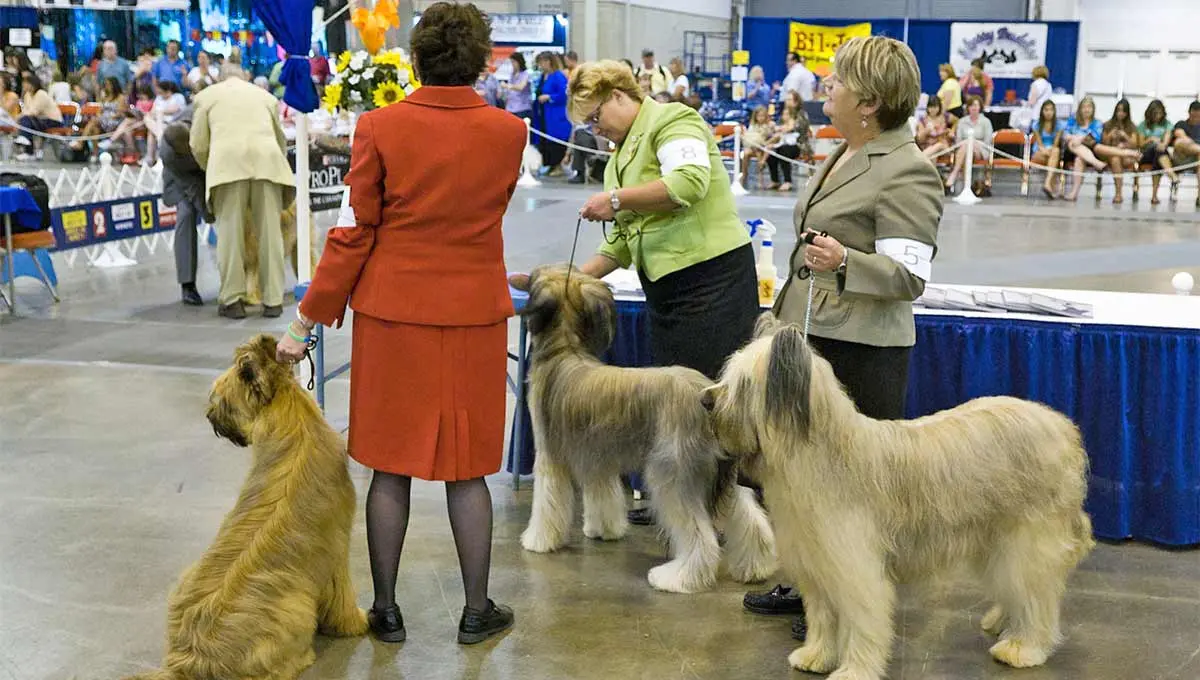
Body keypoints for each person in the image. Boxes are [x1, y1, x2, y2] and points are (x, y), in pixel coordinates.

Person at [275, 1, 524, 646]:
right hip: (474, 314)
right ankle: (477, 609)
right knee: (469, 469)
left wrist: (305, 322)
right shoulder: (510, 132)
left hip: (393, 316)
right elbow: (490, 210)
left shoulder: (380, 126)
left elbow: (357, 231)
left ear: (414, 58)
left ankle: (384, 610)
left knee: (391, 466)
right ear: (481, 59)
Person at [749, 33, 944, 643]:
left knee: (847, 492)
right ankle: (813, 585)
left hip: (859, 350)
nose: (825, 90)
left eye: (836, 83)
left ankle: (843, 603)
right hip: (815, 336)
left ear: (869, 102)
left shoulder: (908, 168)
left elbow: (909, 277)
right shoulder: (846, 152)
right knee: (808, 482)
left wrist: (845, 263)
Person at [512, 59, 759, 526]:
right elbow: (622, 242)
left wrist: (618, 200)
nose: (596, 129)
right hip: (667, 294)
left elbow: (688, 183)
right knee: (682, 420)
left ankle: (731, 513)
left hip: (712, 284)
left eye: (595, 117)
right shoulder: (621, 157)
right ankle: (689, 506)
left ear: (618, 95)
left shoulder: (674, 121)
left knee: (712, 415)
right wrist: (565, 282)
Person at [190, 64, 294, 319]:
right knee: (271, 234)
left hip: (228, 165)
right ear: (245, 76)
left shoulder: (206, 97)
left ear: (221, 78)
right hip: (267, 164)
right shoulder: (265, 96)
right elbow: (280, 140)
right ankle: (273, 300)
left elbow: (198, 143)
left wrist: (210, 166)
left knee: (230, 236)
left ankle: (233, 300)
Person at [160, 121, 209, 306]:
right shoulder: (168, 153)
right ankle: (188, 285)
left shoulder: (201, 124)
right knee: (186, 215)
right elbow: (190, 186)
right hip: (182, 182)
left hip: (210, 168)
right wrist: (207, 212)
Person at [943, 95, 993, 195]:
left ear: (980, 107)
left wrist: (973, 143)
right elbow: (958, 141)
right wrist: (968, 143)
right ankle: (968, 188)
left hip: (981, 150)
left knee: (968, 145)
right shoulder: (962, 122)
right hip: (963, 149)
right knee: (965, 148)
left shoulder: (986, 122)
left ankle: (953, 176)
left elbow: (987, 142)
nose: (974, 108)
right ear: (968, 108)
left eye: (976, 105)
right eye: (971, 106)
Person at [535, 51, 570, 175]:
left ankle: (557, 165)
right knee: (545, 140)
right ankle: (549, 164)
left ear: (549, 62)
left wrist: (549, 97)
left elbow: (564, 94)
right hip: (545, 114)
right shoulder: (543, 76)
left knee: (556, 140)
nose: (540, 65)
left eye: (542, 62)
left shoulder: (558, 76)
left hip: (556, 115)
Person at [1138, 99, 1177, 205]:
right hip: (1146, 154)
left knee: (1159, 154)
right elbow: (1140, 144)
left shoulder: (1167, 124)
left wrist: (1163, 144)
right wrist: (1150, 139)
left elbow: (1168, 136)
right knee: (1157, 150)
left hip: (1160, 153)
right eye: (1155, 113)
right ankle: (1172, 175)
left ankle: (1154, 196)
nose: (1158, 116)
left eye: (1160, 113)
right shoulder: (1143, 125)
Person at [1029, 99, 1063, 198]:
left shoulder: (1059, 125)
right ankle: (1050, 185)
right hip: (1039, 151)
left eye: (1051, 110)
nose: (1048, 112)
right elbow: (1040, 145)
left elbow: (1056, 144)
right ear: (1042, 111)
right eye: (1046, 110)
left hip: (1052, 150)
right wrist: (1047, 151)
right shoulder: (1036, 125)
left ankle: (1047, 184)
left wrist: (1051, 151)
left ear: (1054, 111)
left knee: (1056, 151)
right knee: (1054, 157)